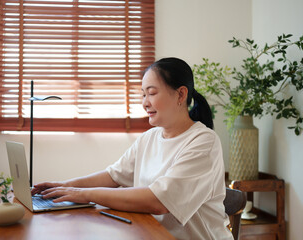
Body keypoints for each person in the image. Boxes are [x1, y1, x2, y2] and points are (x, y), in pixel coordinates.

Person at [32, 57, 233, 239]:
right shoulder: (149, 138)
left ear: (181, 94)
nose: (145, 103)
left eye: (152, 93)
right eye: (143, 94)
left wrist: (84, 194)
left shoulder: (203, 142)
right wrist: (64, 186)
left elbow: (159, 201)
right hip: (151, 233)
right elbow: (114, 176)